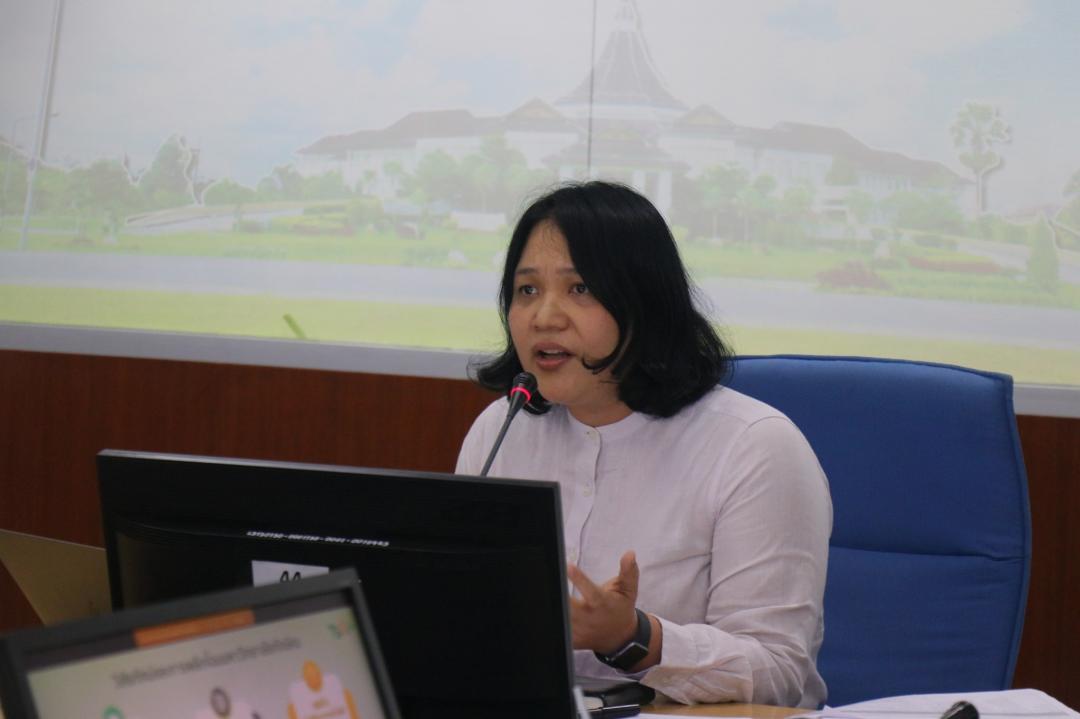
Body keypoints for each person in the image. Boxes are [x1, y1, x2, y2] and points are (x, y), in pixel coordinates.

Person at [455, 181, 832, 708]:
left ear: (644, 302)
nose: (544, 317)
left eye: (580, 288)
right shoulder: (502, 428)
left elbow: (778, 674)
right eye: (528, 290)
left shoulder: (753, 447)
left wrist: (633, 638)